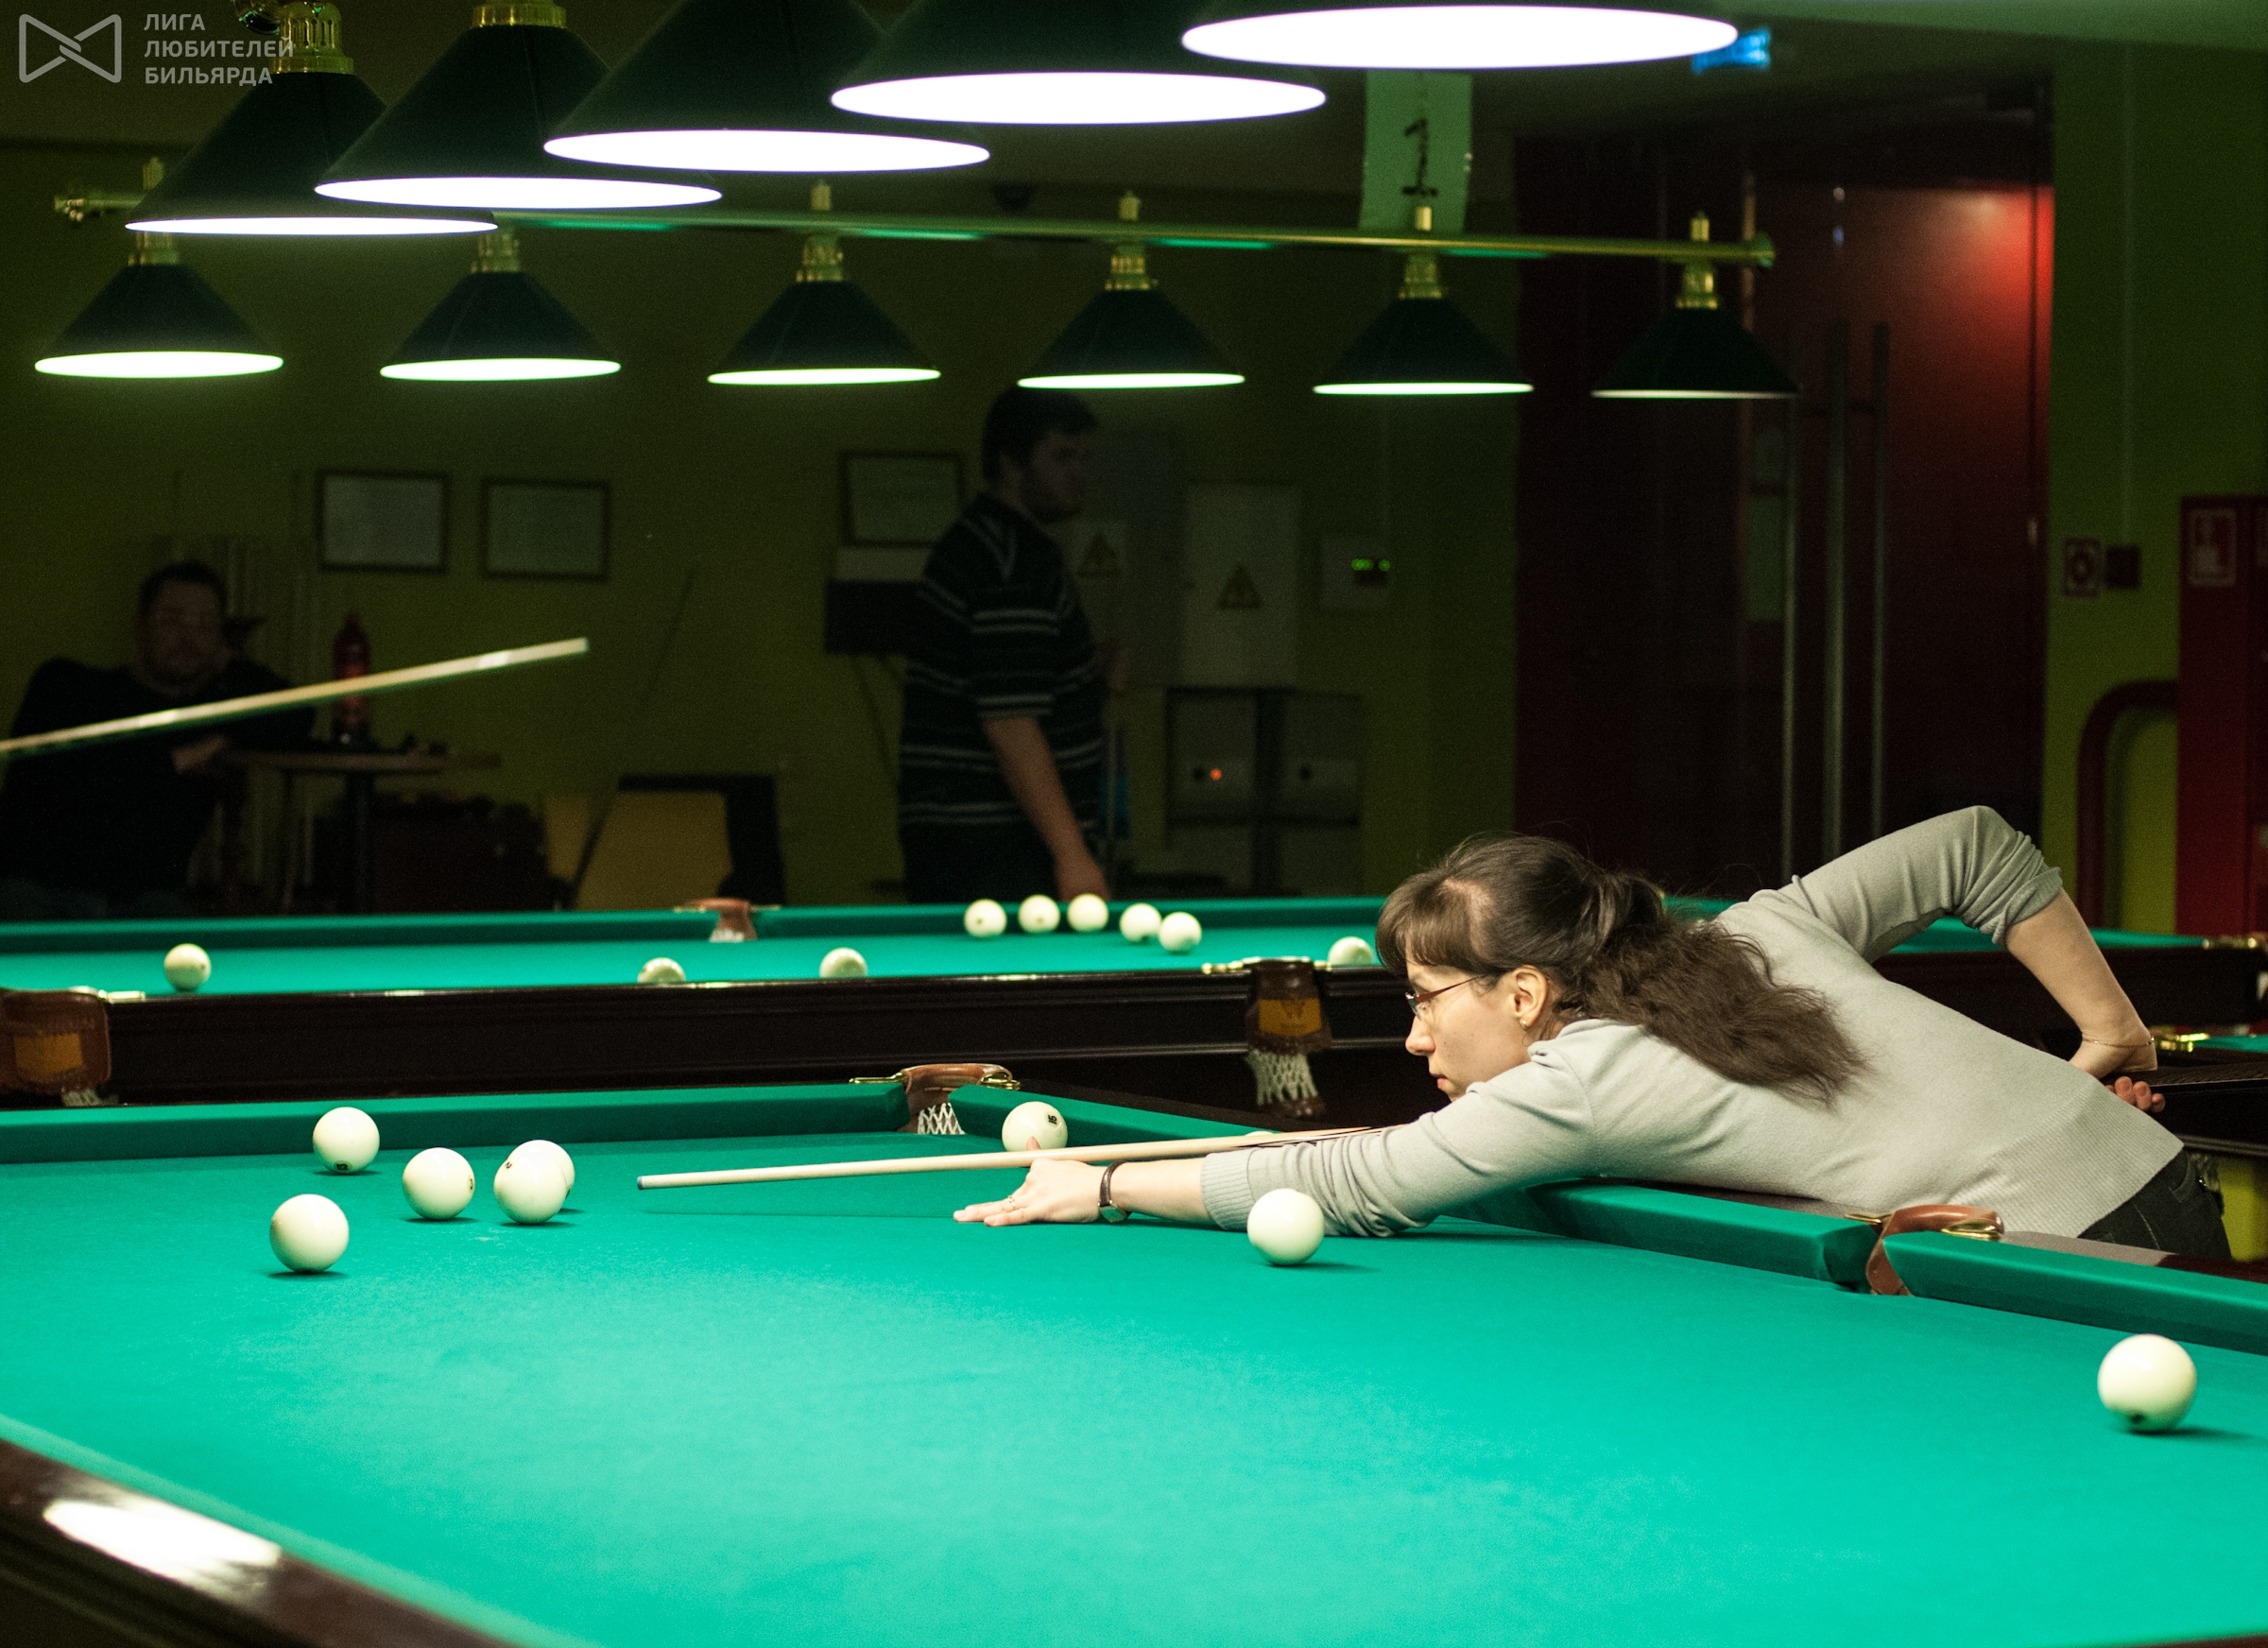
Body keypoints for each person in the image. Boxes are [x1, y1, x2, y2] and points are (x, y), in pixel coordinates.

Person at [956, 806, 2230, 1260]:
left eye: (1425, 1001)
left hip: (2061, 1258)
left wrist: (1108, 1185)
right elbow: (1976, 844)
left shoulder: (1585, 1076)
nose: (1414, 1040)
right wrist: (2110, 1033)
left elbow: (1359, 1183)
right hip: (2167, 1183)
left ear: (1522, 994)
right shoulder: (1754, 933)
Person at [0, 559, 309, 921]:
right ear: (140, 625)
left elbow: (298, 714)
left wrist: (226, 661)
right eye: (171, 619)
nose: (188, 637)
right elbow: (94, 777)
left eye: (205, 624)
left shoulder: (209, 714)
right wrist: (187, 756)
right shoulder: (68, 686)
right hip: (41, 888)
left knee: (176, 924)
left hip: (146, 900)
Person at [899, 386, 1109, 905]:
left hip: (970, 838)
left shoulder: (978, 542)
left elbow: (1007, 681)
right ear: (1011, 462)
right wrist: (1071, 853)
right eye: (1061, 456)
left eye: (1083, 458)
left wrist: (1083, 677)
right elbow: (1010, 721)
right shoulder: (1015, 561)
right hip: (1001, 844)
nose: (1079, 473)